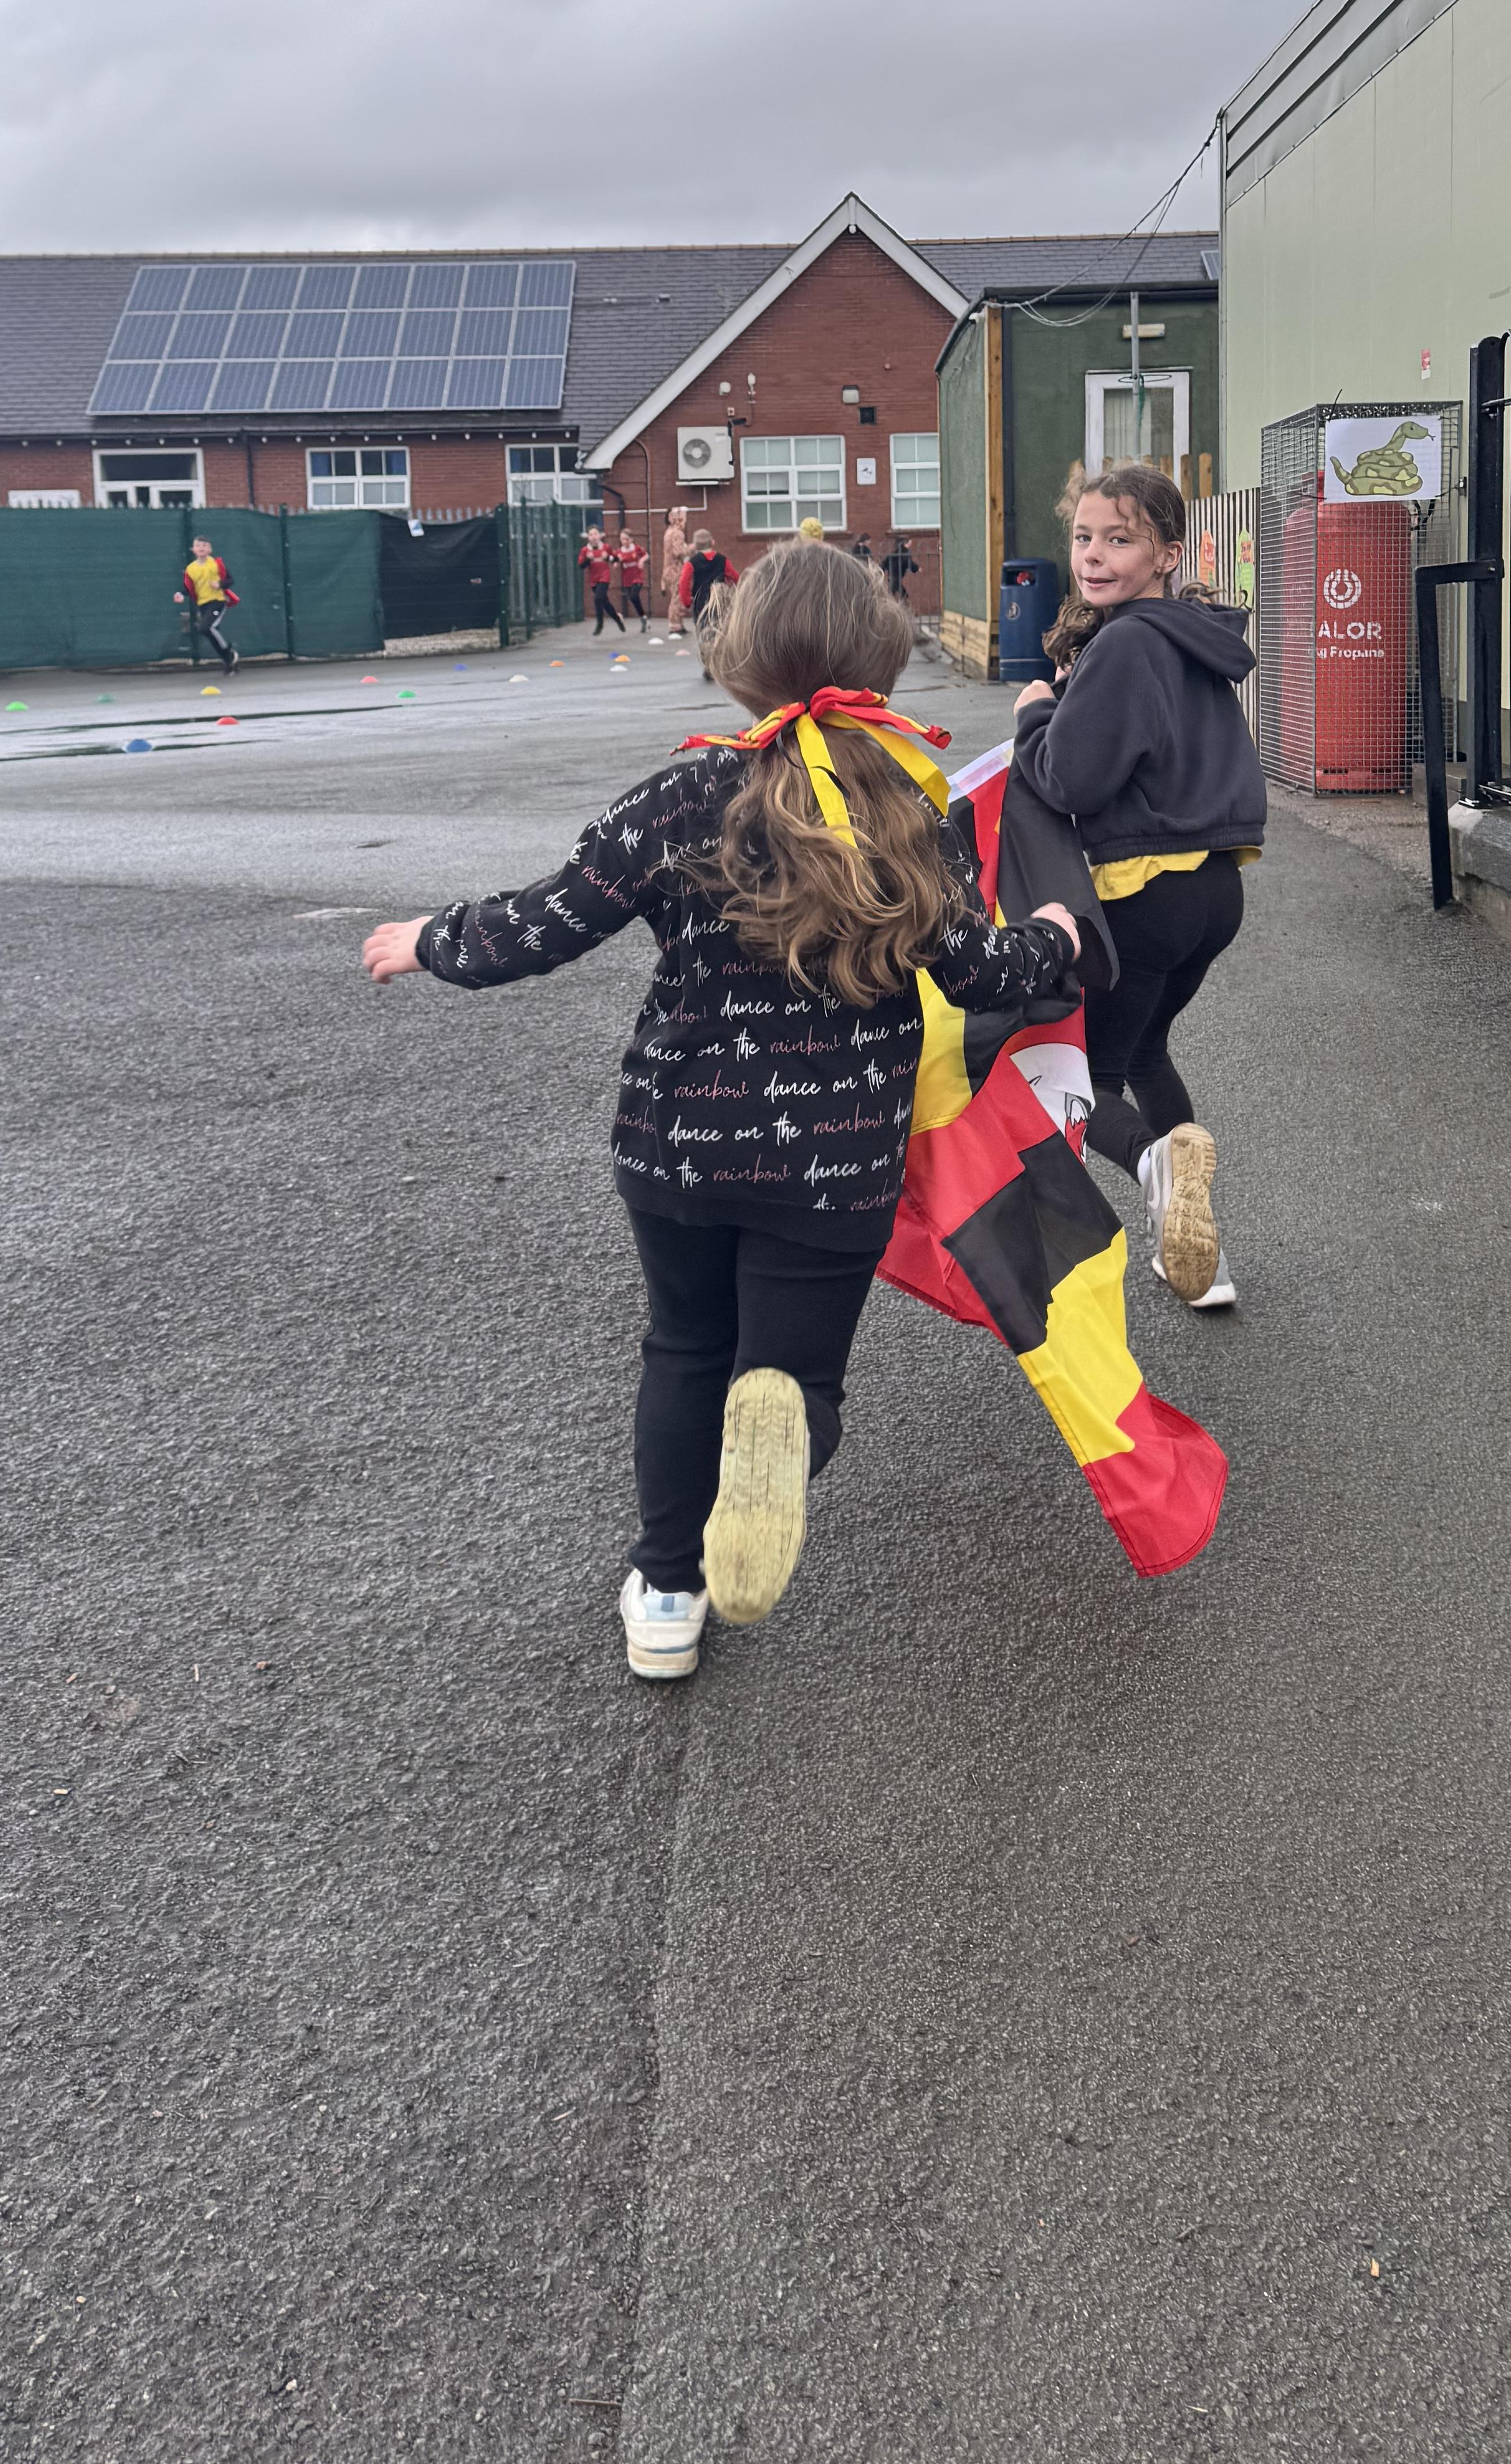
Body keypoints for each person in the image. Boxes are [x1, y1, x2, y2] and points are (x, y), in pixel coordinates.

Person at [361, 540, 1081, 1678]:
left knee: (683, 1348)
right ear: (878, 662)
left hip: (677, 1148)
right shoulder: (903, 809)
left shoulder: (679, 798)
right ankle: (777, 1451)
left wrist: (430, 941)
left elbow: (544, 922)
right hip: (832, 1162)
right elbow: (979, 971)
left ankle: (666, 1593)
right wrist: (1053, 940)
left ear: (735, 658)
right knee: (794, 1381)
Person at [1006, 464, 1263, 1312]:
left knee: (1072, 1079)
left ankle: (1153, 1164)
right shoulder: (1193, 638)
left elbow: (1069, 780)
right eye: (1084, 537)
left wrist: (1036, 714)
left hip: (1142, 892)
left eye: (1119, 540)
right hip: (1214, 890)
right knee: (1147, 1051)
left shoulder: (1124, 644)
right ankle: (1202, 1263)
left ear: (1167, 554)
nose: (1093, 555)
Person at [175, 537, 239, 672]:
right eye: (198, 546)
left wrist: (220, 584)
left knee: (207, 627)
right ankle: (228, 658)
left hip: (218, 602)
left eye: (204, 545)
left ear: (210, 549)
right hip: (203, 605)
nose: (201, 548)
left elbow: (230, 580)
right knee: (206, 630)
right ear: (193, 550)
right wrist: (181, 594)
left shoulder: (216, 564)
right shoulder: (191, 569)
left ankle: (228, 654)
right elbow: (188, 587)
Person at [681, 531, 735, 681]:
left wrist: (686, 601)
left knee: (704, 631)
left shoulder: (692, 563)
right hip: (719, 601)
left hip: (701, 602)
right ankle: (719, 662)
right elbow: (735, 577)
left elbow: (684, 582)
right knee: (719, 630)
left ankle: (708, 663)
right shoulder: (723, 560)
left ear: (695, 546)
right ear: (712, 543)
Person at [580, 523, 626, 634]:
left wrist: (609, 558)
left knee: (598, 599)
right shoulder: (585, 550)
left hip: (604, 577)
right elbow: (581, 565)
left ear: (600, 536)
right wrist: (588, 559)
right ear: (588, 537)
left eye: (596, 534)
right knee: (605, 603)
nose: (594, 537)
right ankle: (618, 619)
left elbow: (616, 558)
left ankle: (600, 624)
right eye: (591, 535)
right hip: (594, 579)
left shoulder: (606, 547)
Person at [659, 508, 692, 632]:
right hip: (676, 570)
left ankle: (678, 624)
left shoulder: (669, 532)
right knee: (678, 598)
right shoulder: (677, 533)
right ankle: (675, 626)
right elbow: (678, 552)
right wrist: (691, 548)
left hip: (669, 569)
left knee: (677, 597)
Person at [616, 529, 650, 628]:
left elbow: (646, 555)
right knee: (632, 598)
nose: (624, 542)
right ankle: (643, 617)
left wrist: (641, 561)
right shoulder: (620, 552)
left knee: (634, 595)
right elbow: (615, 560)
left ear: (631, 540)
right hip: (627, 579)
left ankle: (643, 617)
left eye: (626, 539)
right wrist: (616, 562)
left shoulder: (637, 549)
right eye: (622, 539)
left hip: (637, 576)